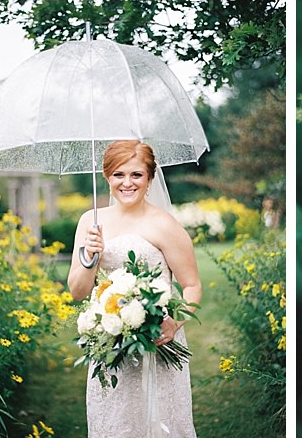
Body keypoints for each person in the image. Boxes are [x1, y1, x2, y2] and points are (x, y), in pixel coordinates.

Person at [67, 139, 202, 438]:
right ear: (106, 176)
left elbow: (191, 285)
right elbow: (77, 292)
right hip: (109, 347)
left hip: (157, 343)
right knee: (114, 424)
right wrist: (91, 257)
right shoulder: (90, 222)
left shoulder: (164, 225)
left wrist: (173, 323)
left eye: (136, 175)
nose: (127, 183)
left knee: (159, 424)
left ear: (150, 178)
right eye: (118, 174)